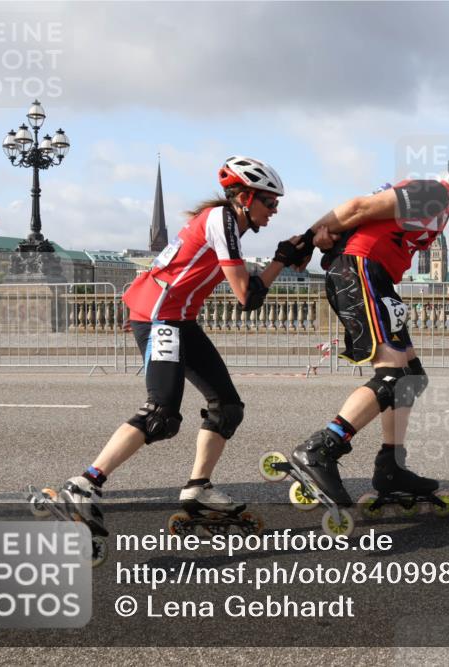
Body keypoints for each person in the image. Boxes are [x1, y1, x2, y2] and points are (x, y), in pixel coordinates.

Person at [48, 156, 314, 534]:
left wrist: (283, 260)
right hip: (162, 317)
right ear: (245, 198)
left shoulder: (226, 225)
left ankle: (198, 489)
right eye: (270, 202)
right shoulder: (222, 220)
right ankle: (84, 485)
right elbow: (247, 298)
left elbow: (185, 267)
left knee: (228, 407)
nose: (275, 210)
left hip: (176, 318)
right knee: (161, 414)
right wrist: (279, 261)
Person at [291, 151, 449, 506]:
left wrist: (327, 237)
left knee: (411, 376)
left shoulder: (440, 211)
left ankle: (391, 467)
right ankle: (321, 448)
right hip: (360, 271)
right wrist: (305, 240)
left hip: (376, 278)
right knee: (392, 376)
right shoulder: (434, 194)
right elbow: (358, 208)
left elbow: (366, 219)